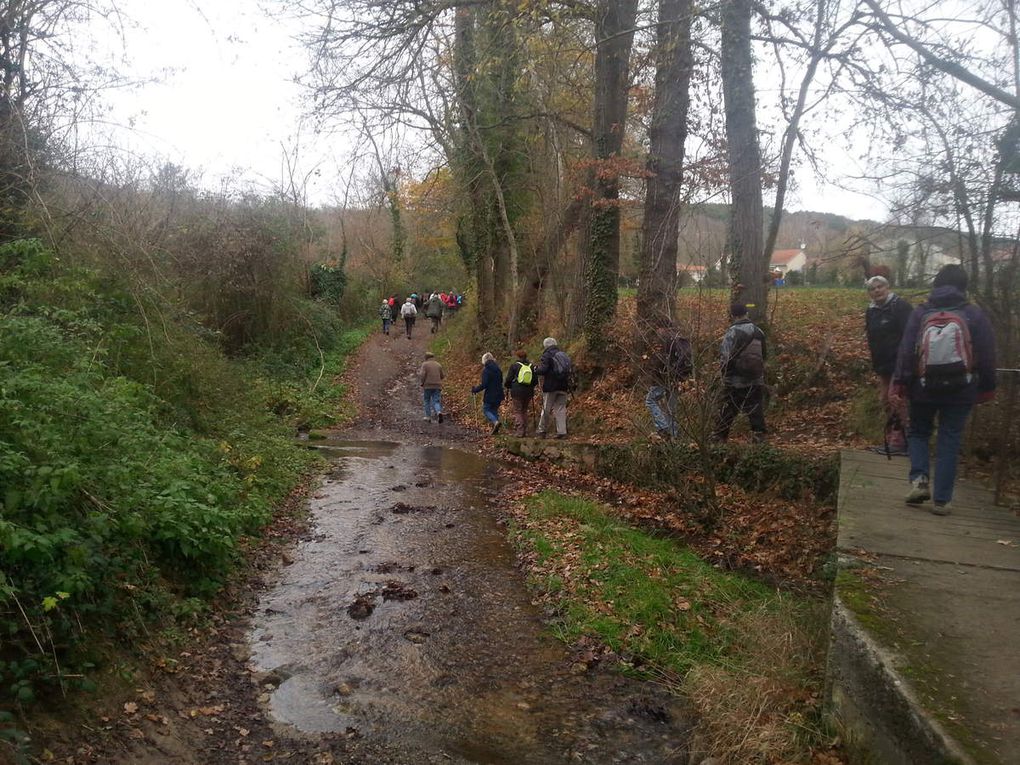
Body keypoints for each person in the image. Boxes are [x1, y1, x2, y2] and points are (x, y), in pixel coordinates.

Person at [891, 264, 996, 516]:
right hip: (962, 389)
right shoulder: (974, 314)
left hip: (923, 388)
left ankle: (919, 481)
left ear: (936, 284)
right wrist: (987, 387)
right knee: (949, 440)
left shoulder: (921, 313)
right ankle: (942, 501)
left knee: (918, 433)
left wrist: (900, 383)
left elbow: (906, 351)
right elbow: (988, 354)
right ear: (964, 286)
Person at [865, 275, 913, 455]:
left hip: (900, 364)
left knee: (896, 400)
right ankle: (893, 438)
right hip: (882, 364)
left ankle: (900, 442)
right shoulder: (871, 311)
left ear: (888, 287)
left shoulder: (901, 307)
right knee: (885, 400)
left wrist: (906, 361)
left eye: (880, 287)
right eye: (873, 289)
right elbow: (871, 337)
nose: (877, 291)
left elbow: (910, 335)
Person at [714, 304, 767, 442]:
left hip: (735, 379)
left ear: (733, 315)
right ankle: (759, 436)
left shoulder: (733, 332)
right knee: (756, 407)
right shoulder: (759, 332)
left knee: (729, 409)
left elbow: (725, 356)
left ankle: (719, 438)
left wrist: (724, 375)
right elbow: (764, 356)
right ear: (747, 313)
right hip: (756, 378)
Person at [643, 317, 693, 441]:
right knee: (672, 408)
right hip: (678, 378)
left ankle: (664, 428)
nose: (657, 331)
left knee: (650, 400)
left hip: (663, 378)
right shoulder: (679, 338)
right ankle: (673, 436)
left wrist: (655, 375)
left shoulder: (665, 340)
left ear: (662, 328)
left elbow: (660, 361)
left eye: (658, 328)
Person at [535, 337, 571, 439]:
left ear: (546, 346)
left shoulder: (547, 355)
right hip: (563, 385)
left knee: (546, 408)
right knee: (561, 409)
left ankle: (541, 431)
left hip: (551, 386)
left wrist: (536, 369)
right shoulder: (562, 354)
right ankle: (562, 432)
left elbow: (543, 369)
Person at [504, 349, 538, 437]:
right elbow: (535, 381)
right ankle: (525, 431)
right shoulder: (531, 366)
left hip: (517, 391)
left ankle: (520, 431)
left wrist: (508, 386)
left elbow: (508, 379)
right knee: (524, 410)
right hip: (528, 392)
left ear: (518, 357)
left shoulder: (514, 366)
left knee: (518, 411)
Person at [471, 352, 505, 434]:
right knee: (494, 410)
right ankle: (496, 429)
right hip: (499, 393)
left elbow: (484, 384)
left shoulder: (486, 370)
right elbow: (501, 381)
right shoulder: (498, 369)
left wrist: (475, 389)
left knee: (486, 410)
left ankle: (495, 422)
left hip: (490, 394)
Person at [418, 351, 444, 423]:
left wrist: (422, 383)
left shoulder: (425, 364)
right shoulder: (438, 365)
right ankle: (438, 412)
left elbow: (422, 375)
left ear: (426, 358)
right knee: (436, 401)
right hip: (437, 386)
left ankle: (428, 416)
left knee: (427, 400)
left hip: (428, 385)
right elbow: (442, 376)